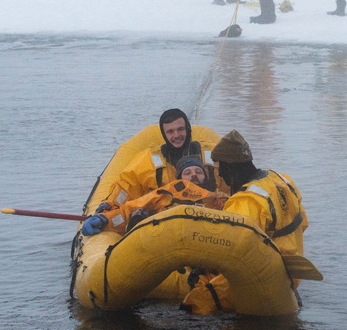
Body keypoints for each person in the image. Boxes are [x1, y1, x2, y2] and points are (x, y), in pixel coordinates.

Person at [181, 130, 308, 314]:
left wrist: (199, 264)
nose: (221, 176)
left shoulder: (246, 201)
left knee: (195, 303)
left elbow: (225, 250)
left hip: (263, 277)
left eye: (220, 169)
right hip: (289, 272)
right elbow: (303, 223)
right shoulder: (281, 180)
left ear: (232, 168)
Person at [99, 108, 221, 209]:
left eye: (180, 129)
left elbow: (232, 183)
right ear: (164, 134)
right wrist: (109, 205)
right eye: (170, 132)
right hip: (165, 223)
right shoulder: (149, 160)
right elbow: (127, 186)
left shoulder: (213, 154)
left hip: (210, 220)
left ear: (188, 129)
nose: (176, 135)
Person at [81, 155, 228, 235]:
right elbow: (129, 210)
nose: (194, 175)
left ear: (205, 176)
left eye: (198, 171)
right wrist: (105, 220)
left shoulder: (218, 199)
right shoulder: (165, 194)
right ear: (180, 178)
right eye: (188, 173)